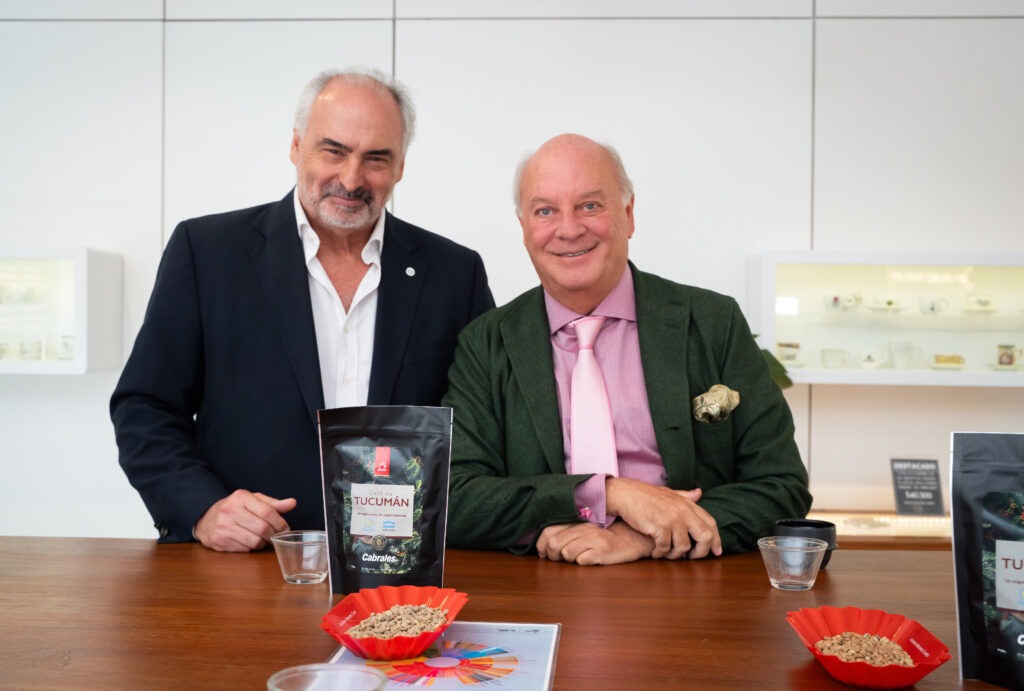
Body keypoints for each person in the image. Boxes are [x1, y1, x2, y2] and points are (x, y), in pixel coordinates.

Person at [111, 69, 493, 552]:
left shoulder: (454, 273)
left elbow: (484, 427)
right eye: (333, 150)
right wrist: (203, 507)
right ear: (296, 146)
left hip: (404, 568)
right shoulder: (207, 252)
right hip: (248, 561)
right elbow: (145, 406)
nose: (351, 179)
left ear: (400, 167)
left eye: (376, 158)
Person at [442, 133, 811, 565]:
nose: (569, 229)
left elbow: (780, 486)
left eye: (590, 206)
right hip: (544, 583)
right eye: (545, 211)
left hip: (689, 583)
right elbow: (454, 496)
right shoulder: (485, 343)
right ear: (523, 228)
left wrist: (644, 536)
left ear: (629, 214)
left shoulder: (714, 323)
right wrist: (606, 494)